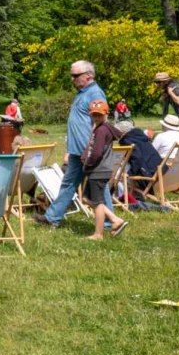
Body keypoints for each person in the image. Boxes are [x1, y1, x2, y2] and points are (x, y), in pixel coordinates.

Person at [39, 60, 107, 228]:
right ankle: (52, 218)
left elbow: (100, 122)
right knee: (68, 184)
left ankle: (107, 222)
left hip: (88, 150)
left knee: (98, 187)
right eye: (72, 75)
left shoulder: (95, 93)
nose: (72, 79)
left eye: (76, 75)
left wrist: (91, 147)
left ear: (88, 75)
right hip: (77, 151)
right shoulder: (82, 93)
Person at [83, 99, 128, 240]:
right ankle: (115, 219)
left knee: (97, 203)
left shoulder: (102, 131)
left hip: (98, 170)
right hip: (100, 170)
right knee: (85, 199)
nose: (96, 117)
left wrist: (88, 164)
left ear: (106, 114)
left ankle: (98, 234)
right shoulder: (101, 127)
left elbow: (96, 153)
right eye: (94, 115)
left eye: (99, 115)